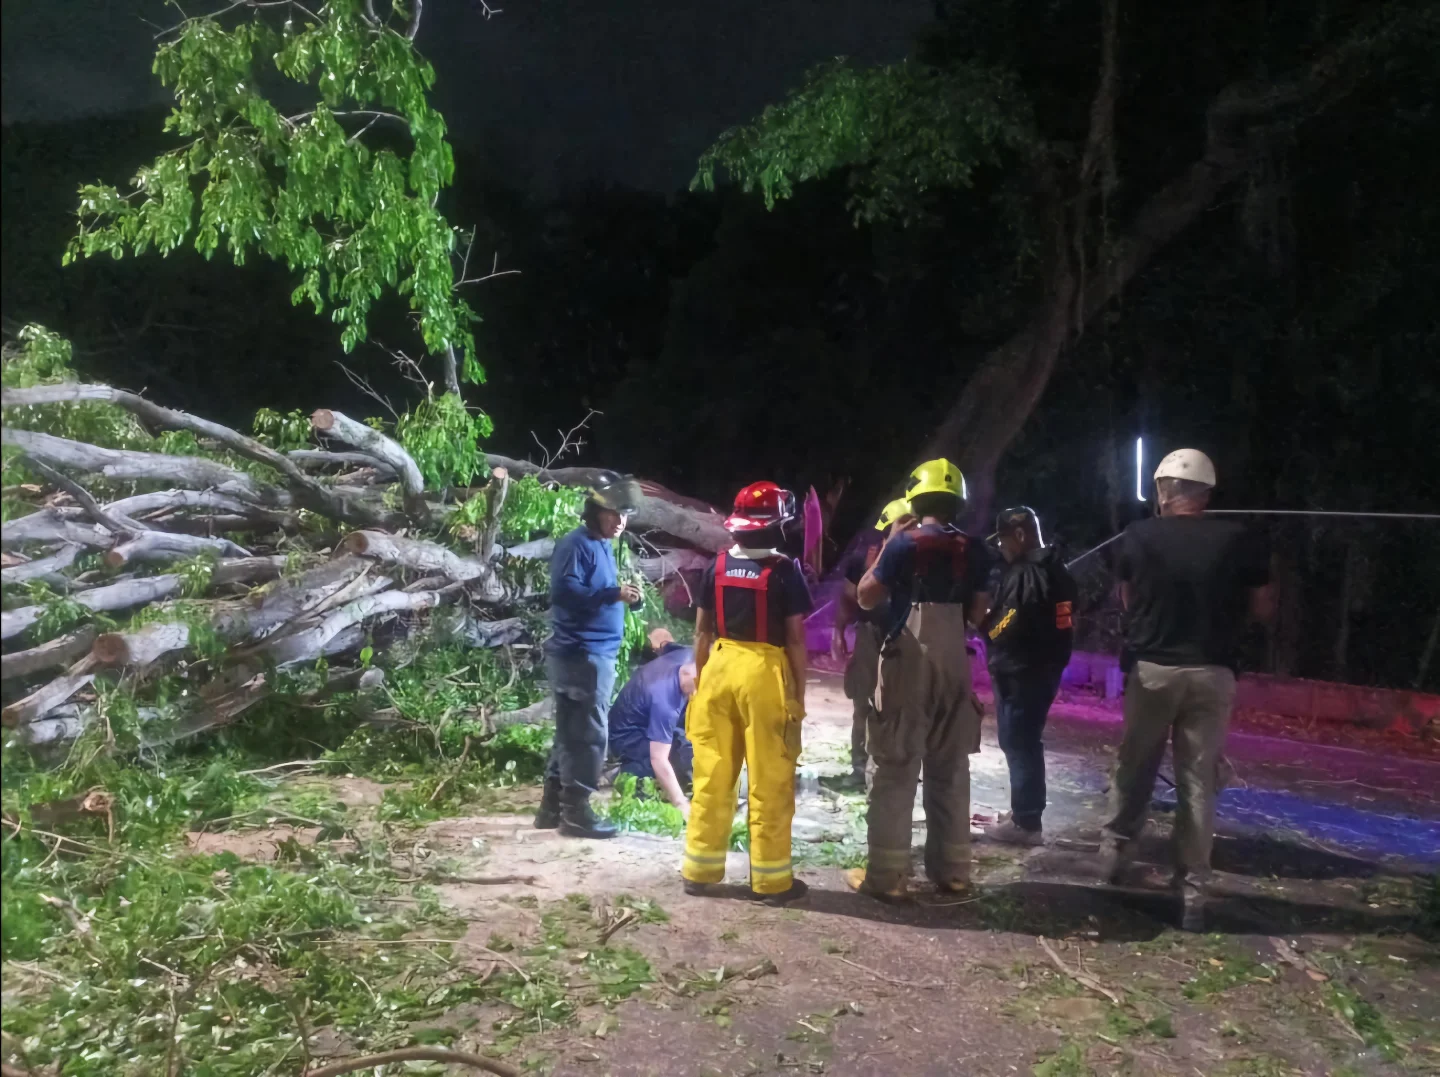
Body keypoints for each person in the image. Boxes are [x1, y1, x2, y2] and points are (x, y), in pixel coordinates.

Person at [1101, 449, 1274, 931]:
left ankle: (1115, 856)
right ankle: (1192, 889)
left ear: (1163, 491)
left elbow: (1128, 599)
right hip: (1213, 673)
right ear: (1207, 492)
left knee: (1135, 764)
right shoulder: (1239, 540)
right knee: (1198, 782)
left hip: (1154, 670)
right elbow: (1262, 607)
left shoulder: (1140, 536)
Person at [846, 459, 993, 900]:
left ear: (915, 497)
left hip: (908, 658)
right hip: (956, 660)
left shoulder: (904, 543)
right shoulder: (976, 549)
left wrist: (890, 542)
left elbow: (866, 597)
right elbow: (979, 613)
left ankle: (887, 878)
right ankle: (953, 872)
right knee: (951, 767)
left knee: (895, 764)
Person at [682, 481, 814, 905]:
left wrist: (702, 684)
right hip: (763, 673)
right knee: (769, 779)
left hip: (718, 668)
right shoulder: (784, 570)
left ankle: (699, 871)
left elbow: (702, 632)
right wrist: (798, 696)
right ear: (776, 525)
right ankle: (772, 882)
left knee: (712, 775)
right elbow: (795, 640)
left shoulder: (716, 566)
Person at [534, 472, 645, 839]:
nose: (620, 522)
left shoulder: (601, 544)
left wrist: (623, 594)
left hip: (586, 654)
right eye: (613, 514)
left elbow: (595, 588)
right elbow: (565, 593)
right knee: (589, 736)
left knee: (570, 733)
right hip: (582, 655)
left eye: (624, 515)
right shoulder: (576, 544)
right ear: (593, 511)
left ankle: (553, 808)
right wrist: (612, 595)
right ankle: (578, 814)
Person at [982, 506, 1077, 846]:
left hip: (1021, 670)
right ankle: (1023, 812)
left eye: (1005, 540)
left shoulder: (1027, 572)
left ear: (1019, 535)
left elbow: (1009, 621)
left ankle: (1025, 823)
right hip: (1046, 667)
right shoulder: (1058, 568)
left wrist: (985, 628)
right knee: (1024, 740)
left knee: (1018, 741)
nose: (1002, 548)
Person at [831, 498, 911, 789]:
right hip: (869, 633)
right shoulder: (863, 558)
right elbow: (849, 596)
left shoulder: (918, 556)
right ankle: (858, 771)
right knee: (862, 702)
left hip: (905, 636)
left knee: (898, 705)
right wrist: (838, 631)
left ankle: (893, 772)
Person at [607, 641, 698, 814]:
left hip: (646, 710)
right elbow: (659, 758)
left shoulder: (690, 656)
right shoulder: (665, 702)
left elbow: (667, 646)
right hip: (628, 735)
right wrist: (681, 803)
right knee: (646, 780)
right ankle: (627, 769)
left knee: (691, 747)